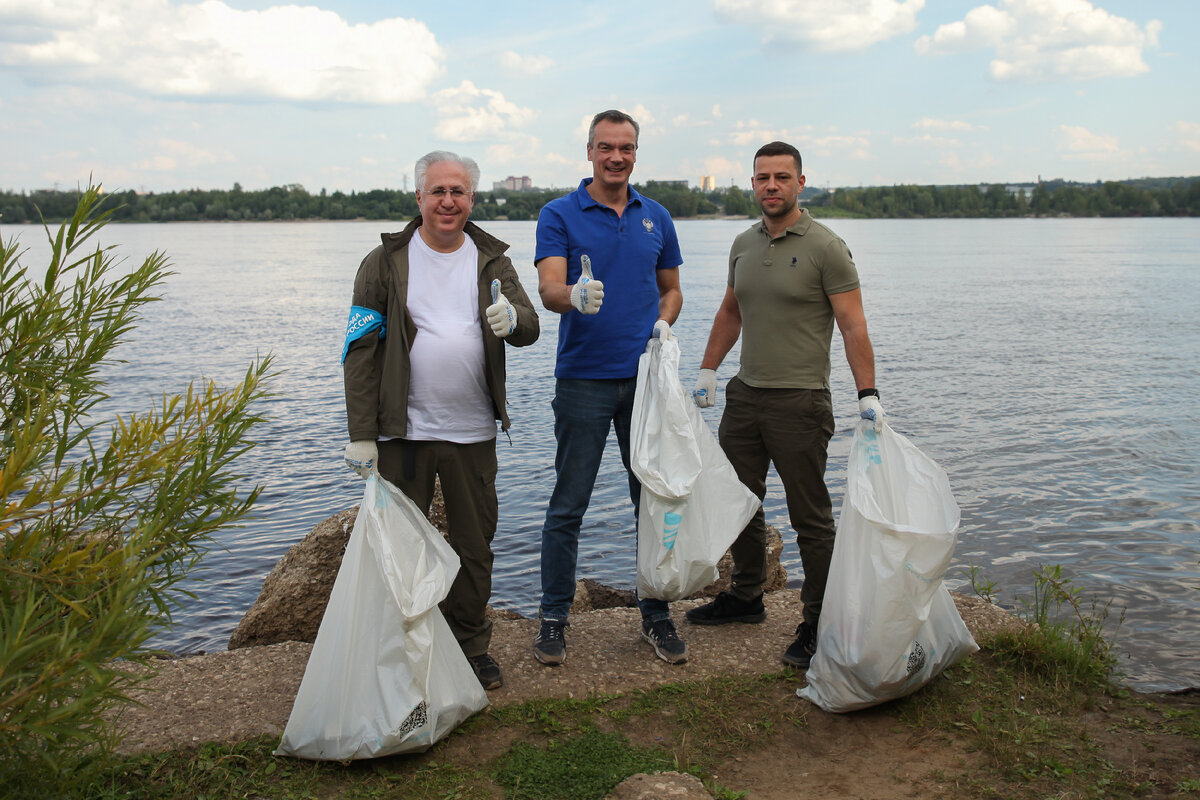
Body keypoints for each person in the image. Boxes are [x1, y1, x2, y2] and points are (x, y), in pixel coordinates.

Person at [341, 150, 540, 690]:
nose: (448, 201)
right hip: (401, 433)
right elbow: (359, 349)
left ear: (472, 198)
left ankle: (472, 647)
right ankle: (404, 646)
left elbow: (531, 327)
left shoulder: (492, 260)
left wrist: (512, 319)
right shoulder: (383, 262)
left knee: (474, 549)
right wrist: (362, 434)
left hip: (473, 433)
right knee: (401, 548)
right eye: (438, 191)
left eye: (459, 192)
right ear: (419, 198)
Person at [686, 141, 883, 670]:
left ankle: (819, 619)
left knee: (810, 518)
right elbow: (732, 311)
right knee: (737, 503)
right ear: (752, 184)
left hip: (800, 402)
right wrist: (708, 369)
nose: (770, 186)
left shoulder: (826, 246)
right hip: (745, 397)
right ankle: (746, 596)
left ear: (800, 182)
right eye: (761, 178)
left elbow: (853, 325)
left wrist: (868, 395)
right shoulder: (743, 243)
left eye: (781, 177)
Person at [532, 109, 686, 666]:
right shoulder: (559, 213)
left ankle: (656, 614)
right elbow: (549, 287)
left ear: (636, 153)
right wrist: (573, 295)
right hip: (583, 382)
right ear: (590, 151)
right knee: (568, 505)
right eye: (605, 147)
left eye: (625, 147)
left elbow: (672, 290)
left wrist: (664, 322)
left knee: (651, 503)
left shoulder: (657, 216)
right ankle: (553, 619)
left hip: (646, 381)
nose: (615, 156)